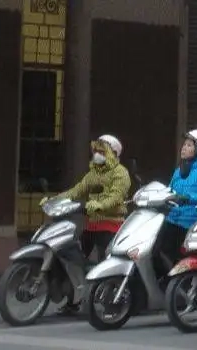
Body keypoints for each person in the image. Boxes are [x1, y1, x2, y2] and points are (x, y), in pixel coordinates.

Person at [41, 134, 131, 314]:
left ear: (113, 153)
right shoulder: (93, 173)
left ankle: (112, 303)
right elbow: (76, 190)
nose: (97, 154)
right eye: (96, 150)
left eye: (102, 151)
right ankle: (74, 299)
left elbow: (116, 196)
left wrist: (100, 205)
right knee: (73, 259)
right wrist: (54, 200)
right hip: (91, 225)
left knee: (106, 264)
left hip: (110, 224)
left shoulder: (121, 173)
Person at [157, 129, 197, 273]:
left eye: (189, 145)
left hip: (191, 223)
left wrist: (187, 198)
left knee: (181, 258)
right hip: (173, 219)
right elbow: (169, 190)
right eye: (184, 144)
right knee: (159, 251)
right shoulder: (179, 170)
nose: (184, 148)